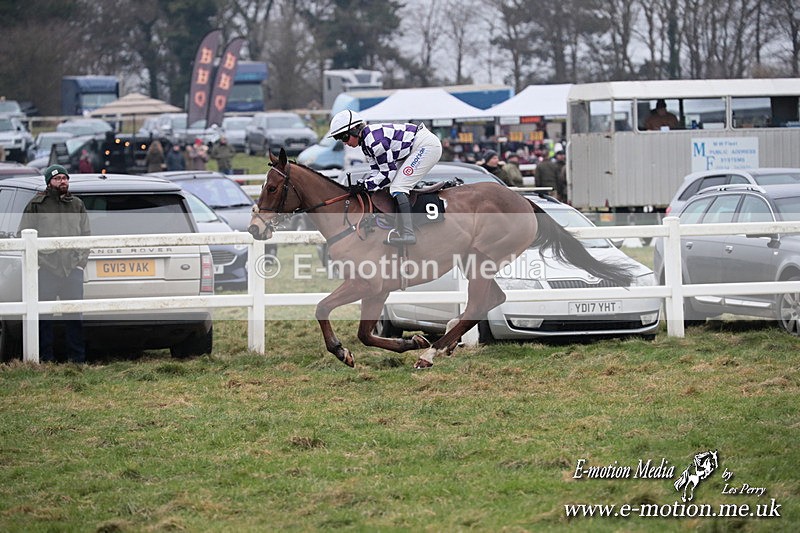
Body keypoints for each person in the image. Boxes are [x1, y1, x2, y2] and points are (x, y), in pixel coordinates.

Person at [327, 110, 442, 246]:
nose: (345, 143)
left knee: (398, 187)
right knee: (391, 186)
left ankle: (408, 233)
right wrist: (363, 184)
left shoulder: (375, 142)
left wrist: (365, 185)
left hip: (426, 146)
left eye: (345, 137)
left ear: (354, 130)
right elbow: (376, 174)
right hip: (411, 148)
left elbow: (388, 175)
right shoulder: (366, 144)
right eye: (340, 139)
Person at [18, 164, 91, 363]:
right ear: (49, 181)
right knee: (44, 319)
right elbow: (23, 235)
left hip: (72, 269)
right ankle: (45, 360)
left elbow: (86, 236)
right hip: (46, 270)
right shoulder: (37, 205)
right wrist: (40, 264)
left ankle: (77, 361)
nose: (63, 182)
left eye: (65, 178)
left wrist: (80, 264)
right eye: (58, 178)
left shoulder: (77, 204)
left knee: (75, 317)